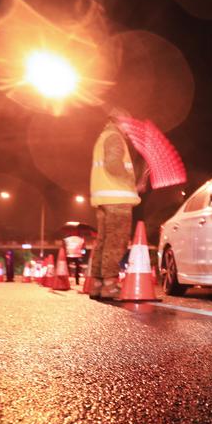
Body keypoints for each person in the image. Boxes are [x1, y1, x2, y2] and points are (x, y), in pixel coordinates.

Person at [89, 108, 148, 299]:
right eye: (128, 122)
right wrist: (133, 184)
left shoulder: (103, 136)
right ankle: (109, 285)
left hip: (104, 199)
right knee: (116, 242)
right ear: (119, 120)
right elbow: (113, 165)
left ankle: (97, 283)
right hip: (117, 200)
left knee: (103, 242)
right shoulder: (114, 137)